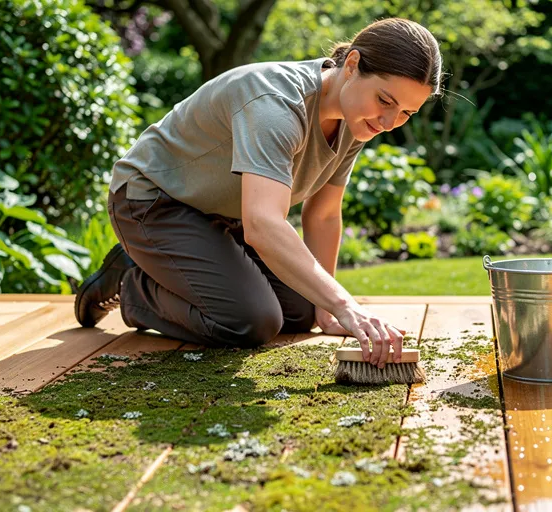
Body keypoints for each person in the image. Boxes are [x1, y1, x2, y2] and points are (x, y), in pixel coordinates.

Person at [74, 18, 443, 369]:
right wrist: (347, 304)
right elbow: (263, 225)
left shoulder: (355, 118)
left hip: (221, 213)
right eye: (386, 101)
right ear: (352, 64)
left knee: (302, 311)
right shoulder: (277, 104)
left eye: (407, 113)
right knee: (250, 321)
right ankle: (131, 282)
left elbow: (324, 213)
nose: (389, 123)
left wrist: (328, 306)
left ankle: (174, 266)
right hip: (154, 201)